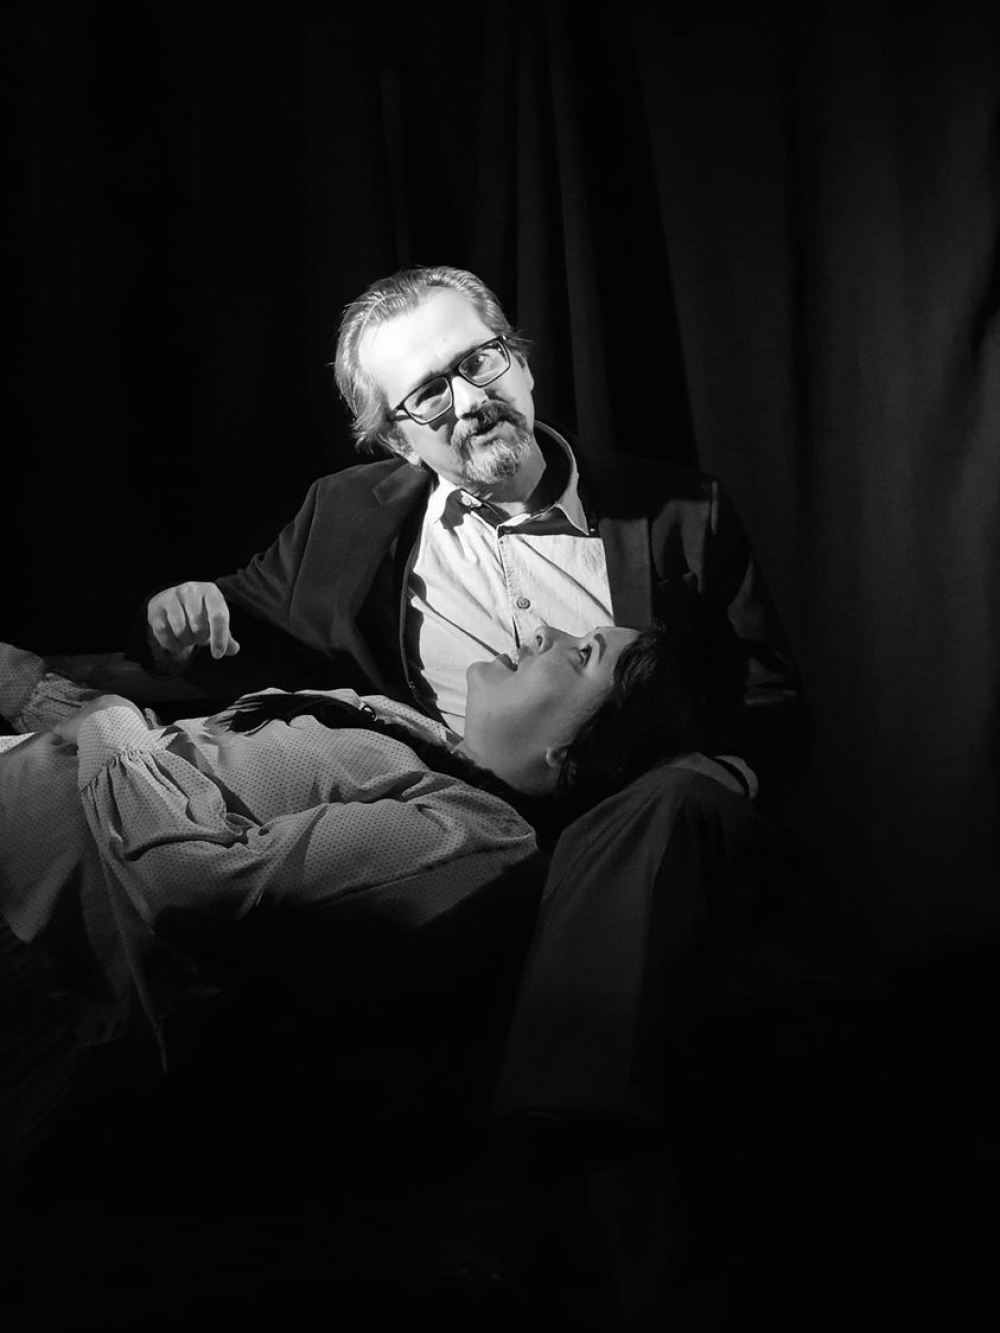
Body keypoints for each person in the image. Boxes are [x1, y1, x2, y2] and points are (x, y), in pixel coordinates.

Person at [0, 621, 752, 1170]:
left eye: (583, 654)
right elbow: (182, 764)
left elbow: (191, 888)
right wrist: (52, 700)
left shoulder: (473, 833)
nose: (544, 633)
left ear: (570, 751)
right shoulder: (413, 729)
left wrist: (109, 722)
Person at [125, 265, 809, 811]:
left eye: (480, 361)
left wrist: (708, 789)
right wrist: (175, 620)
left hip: (629, 842)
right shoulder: (342, 513)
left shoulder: (681, 509)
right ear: (399, 441)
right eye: (429, 393)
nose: (474, 401)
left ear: (522, 364)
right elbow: (235, 615)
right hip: (444, 838)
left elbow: (767, 700)